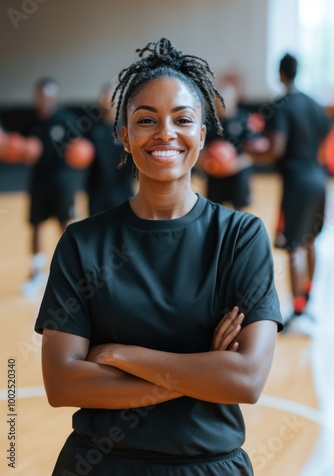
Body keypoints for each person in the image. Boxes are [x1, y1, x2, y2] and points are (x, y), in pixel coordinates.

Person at [35, 38, 282, 475]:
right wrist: (202, 370)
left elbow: (245, 380)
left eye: (182, 119)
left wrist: (121, 354)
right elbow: (61, 382)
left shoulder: (241, 237)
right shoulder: (82, 242)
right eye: (146, 120)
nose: (165, 133)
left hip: (207, 465)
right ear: (125, 137)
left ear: (202, 135)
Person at [250, 53, 330, 335]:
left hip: (297, 182)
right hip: (319, 179)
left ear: (281, 74)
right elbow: (324, 142)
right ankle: (307, 300)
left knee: (294, 245)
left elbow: (275, 149)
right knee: (309, 243)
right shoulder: (314, 104)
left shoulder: (281, 106)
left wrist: (248, 152)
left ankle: (298, 311)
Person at [22, 78, 81, 296]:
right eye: (41, 97)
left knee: (65, 226)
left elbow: (81, 149)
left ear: (55, 98)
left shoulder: (67, 120)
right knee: (35, 225)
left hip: (63, 183)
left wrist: (79, 153)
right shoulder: (30, 122)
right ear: (36, 98)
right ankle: (36, 271)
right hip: (39, 182)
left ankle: (70, 274)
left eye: (49, 97)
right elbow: (19, 149)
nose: (44, 101)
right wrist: (23, 151)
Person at [204, 82, 262, 210]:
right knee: (214, 212)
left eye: (224, 101)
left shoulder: (245, 119)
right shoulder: (211, 122)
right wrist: (207, 163)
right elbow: (201, 151)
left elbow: (254, 153)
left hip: (238, 174)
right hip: (215, 177)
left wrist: (233, 164)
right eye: (217, 102)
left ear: (233, 100)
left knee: (239, 213)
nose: (220, 106)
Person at [86, 83, 133, 216]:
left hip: (122, 190)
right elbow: (82, 157)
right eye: (105, 96)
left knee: (123, 232)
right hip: (97, 192)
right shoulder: (91, 129)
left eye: (113, 96)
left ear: (119, 100)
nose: (109, 99)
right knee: (97, 232)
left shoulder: (127, 129)